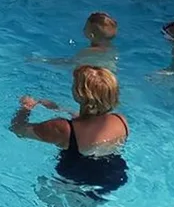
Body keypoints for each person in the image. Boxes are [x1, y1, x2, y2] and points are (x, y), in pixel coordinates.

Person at [10, 66, 129, 199]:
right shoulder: (120, 120)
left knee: (42, 188)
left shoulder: (62, 128)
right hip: (115, 177)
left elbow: (18, 129)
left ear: (79, 94)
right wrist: (60, 108)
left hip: (77, 185)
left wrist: (25, 108)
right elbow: (89, 120)